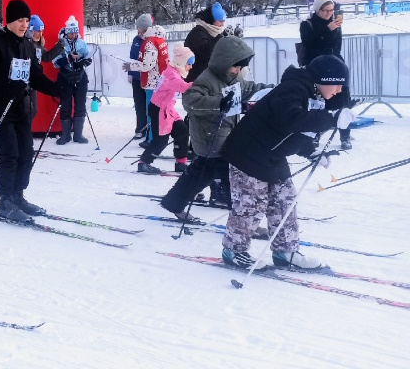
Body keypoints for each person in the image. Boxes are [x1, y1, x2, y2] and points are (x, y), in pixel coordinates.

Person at [221, 55, 354, 270]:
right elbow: (291, 120)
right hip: (247, 153)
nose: (339, 91)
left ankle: (285, 251)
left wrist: (311, 151)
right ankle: (234, 251)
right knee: (251, 205)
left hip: (271, 155)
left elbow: (294, 131)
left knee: (285, 200)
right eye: (338, 85)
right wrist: (331, 119)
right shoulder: (293, 89)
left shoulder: (313, 94)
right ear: (326, 79)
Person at [160, 37, 271, 221]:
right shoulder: (206, 79)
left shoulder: (233, 79)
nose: (237, 70)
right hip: (209, 137)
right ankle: (242, 220)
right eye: (234, 66)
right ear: (223, 62)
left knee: (200, 174)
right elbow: (190, 101)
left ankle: (175, 202)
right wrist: (219, 102)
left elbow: (249, 88)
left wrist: (271, 90)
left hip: (225, 136)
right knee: (229, 180)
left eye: (240, 67)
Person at [0, 0, 60, 222]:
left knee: (25, 152)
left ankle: (17, 195)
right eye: (19, 20)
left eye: (26, 20)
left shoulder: (27, 45)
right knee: (10, 153)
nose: (24, 25)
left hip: (20, 106)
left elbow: (35, 75)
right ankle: (5, 201)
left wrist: (56, 88)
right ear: (8, 21)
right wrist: (7, 86)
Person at [299, 0, 352, 150]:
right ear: (317, 10)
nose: (329, 13)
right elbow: (311, 44)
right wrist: (327, 30)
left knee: (342, 98)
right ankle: (315, 134)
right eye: (325, 10)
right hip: (315, 66)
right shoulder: (307, 24)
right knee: (316, 101)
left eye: (331, 10)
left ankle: (345, 134)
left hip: (335, 64)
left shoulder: (335, 24)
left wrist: (333, 30)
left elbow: (336, 46)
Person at [137, 46, 194, 174]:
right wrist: (201, 83)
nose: (191, 67)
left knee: (182, 131)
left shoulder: (175, 70)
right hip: (159, 109)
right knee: (161, 140)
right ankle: (144, 163)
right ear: (182, 62)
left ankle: (181, 163)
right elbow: (183, 87)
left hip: (168, 108)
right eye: (189, 64)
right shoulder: (171, 75)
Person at [124, 25, 169, 143]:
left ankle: (152, 140)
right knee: (155, 111)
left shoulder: (150, 43)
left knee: (151, 112)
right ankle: (154, 137)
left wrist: (131, 66)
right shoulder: (161, 41)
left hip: (152, 82)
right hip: (159, 80)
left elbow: (147, 65)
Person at [53, 15, 92, 145]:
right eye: (71, 33)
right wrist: (68, 59)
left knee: (80, 105)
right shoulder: (60, 45)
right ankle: (65, 135)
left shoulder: (82, 43)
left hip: (80, 77)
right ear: (67, 32)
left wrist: (83, 62)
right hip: (65, 78)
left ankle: (78, 134)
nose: (74, 34)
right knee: (66, 106)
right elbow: (55, 63)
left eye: (76, 32)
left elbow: (88, 56)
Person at [26, 13, 63, 120]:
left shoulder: (38, 45)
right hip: (22, 83)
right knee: (26, 110)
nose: (40, 34)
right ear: (31, 30)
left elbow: (46, 57)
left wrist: (60, 45)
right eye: (38, 31)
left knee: (33, 110)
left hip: (34, 81)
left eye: (42, 31)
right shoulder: (24, 43)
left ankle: (24, 133)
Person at [184, 2, 226, 83]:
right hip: (195, 80)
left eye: (223, 21)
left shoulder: (215, 33)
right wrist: (220, 38)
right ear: (211, 20)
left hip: (209, 78)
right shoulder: (197, 33)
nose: (222, 24)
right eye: (220, 21)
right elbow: (206, 53)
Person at [128, 13, 153, 139]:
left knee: (150, 106)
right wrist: (130, 73)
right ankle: (140, 128)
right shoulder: (136, 40)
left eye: (140, 28)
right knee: (139, 104)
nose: (138, 30)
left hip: (149, 78)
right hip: (137, 78)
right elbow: (132, 57)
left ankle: (150, 130)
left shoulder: (152, 40)